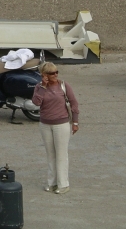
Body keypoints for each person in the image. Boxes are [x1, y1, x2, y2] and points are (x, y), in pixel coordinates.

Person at [32, 62, 80, 195]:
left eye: (56, 72)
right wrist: (43, 86)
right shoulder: (39, 87)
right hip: (45, 124)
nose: (55, 75)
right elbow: (36, 102)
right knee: (51, 154)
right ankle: (52, 183)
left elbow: (74, 103)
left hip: (62, 124)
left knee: (61, 154)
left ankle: (63, 184)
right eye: (52, 73)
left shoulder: (63, 85)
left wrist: (75, 122)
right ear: (44, 75)